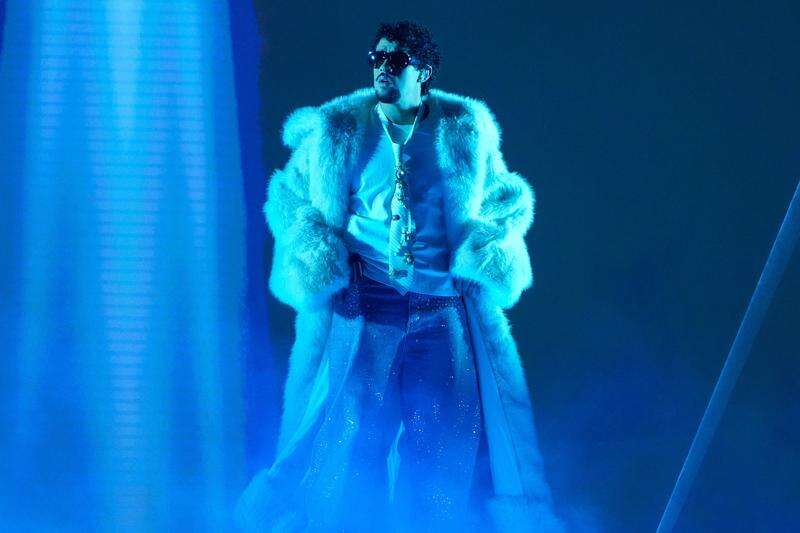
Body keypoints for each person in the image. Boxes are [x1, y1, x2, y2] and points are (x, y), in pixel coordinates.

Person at [235, 20, 563, 533]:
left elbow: (506, 199)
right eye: (377, 57)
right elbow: (289, 198)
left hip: (441, 309)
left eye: (396, 60)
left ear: (423, 71)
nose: (382, 68)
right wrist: (324, 256)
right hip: (368, 305)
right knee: (348, 440)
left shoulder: (463, 128)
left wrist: (482, 253)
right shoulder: (339, 129)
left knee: (444, 446)